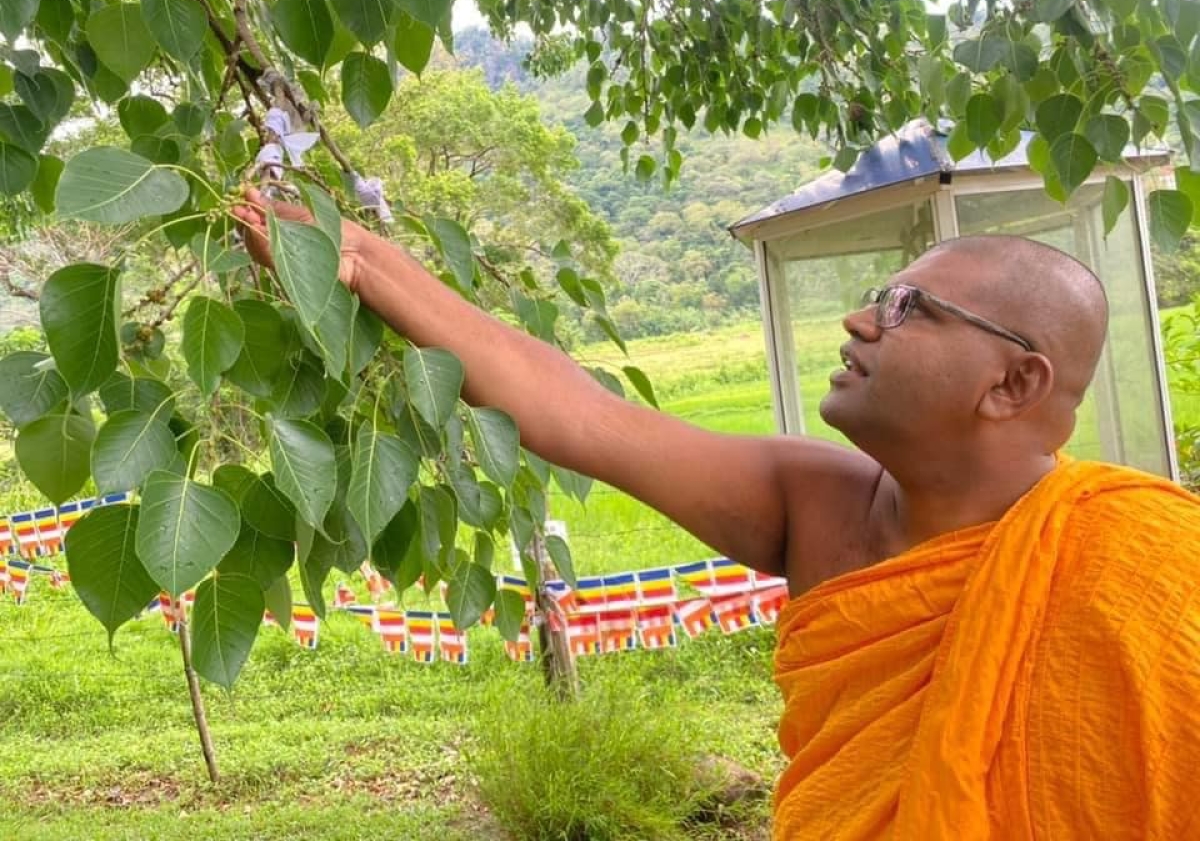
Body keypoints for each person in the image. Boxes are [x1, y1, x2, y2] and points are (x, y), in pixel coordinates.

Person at [235, 190, 1200, 840]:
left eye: (909, 308)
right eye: (873, 298)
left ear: (1016, 381)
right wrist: (356, 262)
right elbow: (578, 413)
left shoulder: (1147, 565)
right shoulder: (814, 502)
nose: (860, 321)